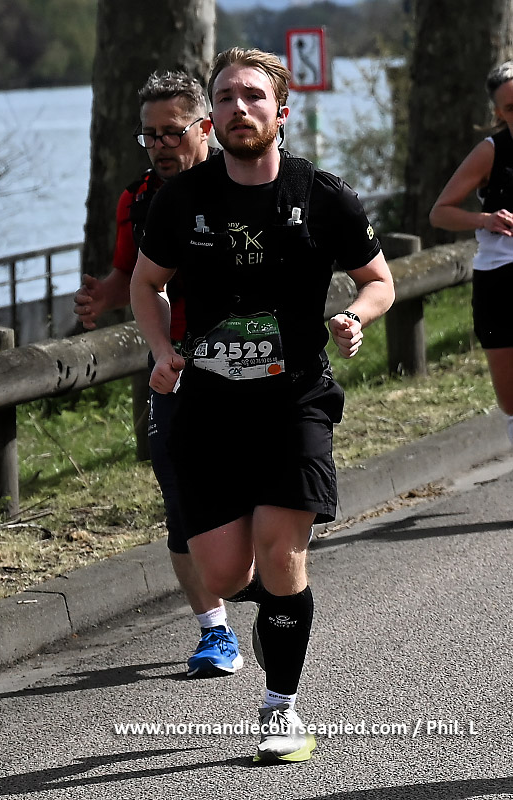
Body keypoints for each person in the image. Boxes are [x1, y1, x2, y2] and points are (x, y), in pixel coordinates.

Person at [131, 47, 395, 764]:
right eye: (224, 97)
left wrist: (357, 316)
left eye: (252, 95)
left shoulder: (325, 195)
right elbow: (147, 284)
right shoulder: (182, 199)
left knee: (281, 555)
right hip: (209, 407)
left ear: (281, 110)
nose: (238, 107)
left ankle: (281, 709)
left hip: (294, 399)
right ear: (211, 117)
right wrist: (162, 350)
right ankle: (276, 606)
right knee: (224, 576)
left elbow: (379, 279)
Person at [73, 70, 244, 679]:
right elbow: (132, 275)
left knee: (251, 487)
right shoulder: (137, 198)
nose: (160, 146)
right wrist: (105, 294)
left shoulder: (244, 181)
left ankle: (262, 581)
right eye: (149, 135)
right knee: (178, 493)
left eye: (171, 132)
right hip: (173, 362)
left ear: (204, 127)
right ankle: (214, 631)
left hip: (247, 358)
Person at [430, 60, 513, 445]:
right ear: (499, 113)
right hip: (500, 280)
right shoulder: (491, 152)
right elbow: (440, 213)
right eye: (511, 108)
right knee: (510, 401)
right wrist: (485, 219)